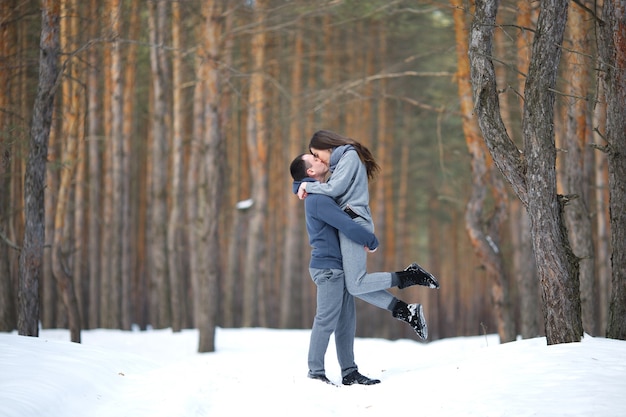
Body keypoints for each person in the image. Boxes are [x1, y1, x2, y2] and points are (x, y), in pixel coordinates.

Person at [296, 129, 439, 339]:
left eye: (317, 155)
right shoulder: (342, 161)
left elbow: (334, 190)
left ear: (327, 146)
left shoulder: (349, 156)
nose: (318, 160)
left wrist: (306, 185)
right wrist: (303, 185)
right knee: (353, 284)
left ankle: (410, 276)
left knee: (356, 283)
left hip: (354, 221)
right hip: (350, 221)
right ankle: (406, 311)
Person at [289, 153, 381, 386]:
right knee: (326, 320)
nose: (322, 160)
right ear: (310, 172)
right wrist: (370, 240)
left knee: (346, 323)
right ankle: (316, 372)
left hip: (338, 267)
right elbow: (346, 224)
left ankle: (349, 372)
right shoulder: (317, 199)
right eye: (316, 160)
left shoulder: (319, 193)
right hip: (328, 268)